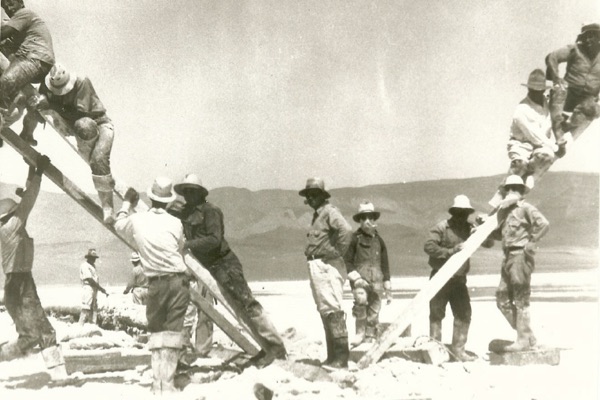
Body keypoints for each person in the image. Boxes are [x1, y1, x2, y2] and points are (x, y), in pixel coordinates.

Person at [173, 173, 286, 368]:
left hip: (225, 265)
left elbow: (215, 240)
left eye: (192, 191)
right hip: (211, 268)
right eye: (186, 192)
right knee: (238, 308)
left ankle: (275, 348)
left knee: (246, 304)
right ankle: (266, 348)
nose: (188, 195)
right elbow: (169, 208)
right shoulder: (188, 213)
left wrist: (188, 243)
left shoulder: (211, 212)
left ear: (200, 193)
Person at [114, 177, 190, 395]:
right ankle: (168, 383)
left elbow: (119, 224)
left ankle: (158, 384)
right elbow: (180, 247)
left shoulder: (137, 220)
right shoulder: (175, 223)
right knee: (173, 332)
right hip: (177, 281)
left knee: (156, 332)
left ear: (150, 197)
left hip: (154, 283)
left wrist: (127, 204)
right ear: (168, 202)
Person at [0, 155, 67, 380]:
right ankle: (59, 376)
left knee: (36, 333)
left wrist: (32, 171)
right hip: (20, 285)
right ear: (9, 215)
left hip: (18, 284)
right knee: (38, 333)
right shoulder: (12, 226)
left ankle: (59, 375)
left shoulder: (8, 227)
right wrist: (38, 172)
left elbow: (25, 200)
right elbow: (29, 200)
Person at [22, 64, 116, 223]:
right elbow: (43, 107)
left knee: (98, 158)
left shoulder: (81, 82)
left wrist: (50, 105)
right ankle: (26, 134)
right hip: (70, 125)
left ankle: (108, 206)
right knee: (34, 105)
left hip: (97, 123)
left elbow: (82, 114)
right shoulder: (47, 84)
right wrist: (36, 106)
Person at [424, 195, 494, 362]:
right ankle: (436, 350)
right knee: (436, 313)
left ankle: (458, 351)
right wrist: (450, 251)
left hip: (458, 280)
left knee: (463, 314)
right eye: (459, 212)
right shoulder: (441, 228)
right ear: (453, 212)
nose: (461, 216)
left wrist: (483, 230)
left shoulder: (470, 229)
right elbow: (429, 246)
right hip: (440, 277)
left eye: (465, 213)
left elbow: (489, 243)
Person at [490, 175, 549, 352]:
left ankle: (523, 340)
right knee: (502, 299)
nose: (511, 192)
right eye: (509, 189)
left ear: (521, 191)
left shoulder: (526, 209)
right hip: (507, 257)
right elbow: (499, 235)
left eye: (515, 188)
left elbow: (544, 224)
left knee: (521, 298)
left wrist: (532, 241)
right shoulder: (506, 212)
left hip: (520, 256)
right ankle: (528, 337)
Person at [299, 177, 353, 368]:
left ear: (322, 196)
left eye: (315, 194)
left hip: (326, 266)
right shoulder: (318, 215)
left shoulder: (330, 212)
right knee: (325, 310)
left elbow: (346, 231)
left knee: (332, 310)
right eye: (309, 195)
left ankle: (341, 357)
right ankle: (332, 357)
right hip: (317, 265)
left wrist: (337, 252)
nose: (311, 198)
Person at [344, 202, 393, 346]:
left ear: (374, 220)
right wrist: (356, 278)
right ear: (359, 221)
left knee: (375, 308)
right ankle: (360, 333)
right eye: (363, 218)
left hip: (377, 280)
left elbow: (385, 264)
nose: (367, 221)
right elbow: (347, 261)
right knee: (360, 303)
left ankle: (371, 336)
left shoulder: (379, 241)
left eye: (370, 218)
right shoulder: (354, 239)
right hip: (360, 280)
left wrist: (387, 285)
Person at [545, 22, 600, 143]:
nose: (588, 39)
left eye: (593, 36)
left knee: (594, 109)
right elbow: (552, 57)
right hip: (567, 92)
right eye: (586, 36)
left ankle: (567, 127)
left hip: (586, 99)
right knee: (559, 91)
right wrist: (555, 78)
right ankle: (553, 130)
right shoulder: (574, 49)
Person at [506, 69, 558, 190]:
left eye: (539, 91)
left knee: (546, 156)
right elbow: (534, 135)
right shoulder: (521, 110)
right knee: (519, 165)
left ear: (543, 90)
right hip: (521, 144)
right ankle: (509, 189)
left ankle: (529, 173)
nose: (536, 93)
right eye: (533, 90)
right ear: (529, 89)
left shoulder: (545, 102)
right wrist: (554, 146)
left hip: (540, 145)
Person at [0, 0, 54, 111]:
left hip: (36, 60)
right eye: (5, 7)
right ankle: (10, 103)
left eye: (11, 3)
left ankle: (3, 108)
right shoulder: (18, 29)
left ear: (20, 2)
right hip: (30, 63)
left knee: (6, 81)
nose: (9, 9)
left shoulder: (24, 13)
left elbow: (3, 33)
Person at [79, 248, 109, 326]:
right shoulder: (84, 266)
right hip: (88, 288)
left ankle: (92, 325)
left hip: (94, 289)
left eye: (94, 258)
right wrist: (101, 288)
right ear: (88, 258)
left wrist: (98, 288)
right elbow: (90, 279)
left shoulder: (93, 266)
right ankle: (80, 325)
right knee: (86, 308)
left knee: (94, 308)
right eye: (92, 258)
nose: (94, 260)